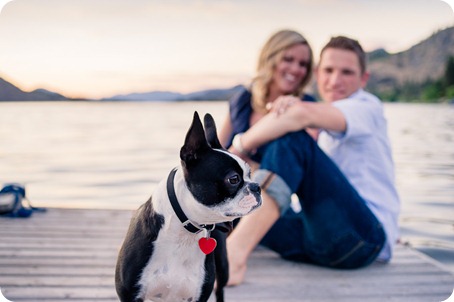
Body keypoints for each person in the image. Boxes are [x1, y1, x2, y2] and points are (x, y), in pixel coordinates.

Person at [220, 34, 400, 286]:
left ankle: (233, 256)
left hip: (364, 239)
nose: (335, 80)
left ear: (363, 79)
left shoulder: (367, 107)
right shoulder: (325, 119)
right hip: (320, 238)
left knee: (292, 138)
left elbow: (299, 117)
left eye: (347, 72)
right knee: (236, 204)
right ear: (317, 73)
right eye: (328, 70)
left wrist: (239, 146)